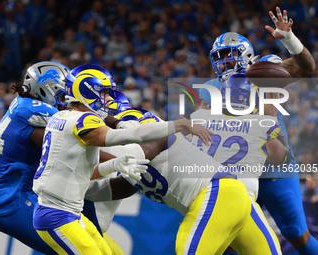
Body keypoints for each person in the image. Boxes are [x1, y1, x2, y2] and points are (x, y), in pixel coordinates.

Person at [32, 64, 212, 255]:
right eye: (104, 92)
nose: (108, 98)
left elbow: (84, 172)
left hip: (67, 211)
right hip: (57, 215)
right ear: (86, 91)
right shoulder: (82, 121)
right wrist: (177, 124)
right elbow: (137, 136)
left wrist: (115, 164)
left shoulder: (60, 117)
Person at [85, 106, 290, 254]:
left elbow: (135, 152)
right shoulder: (131, 167)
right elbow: (106, 191)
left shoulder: (151, 138)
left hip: (218, 193)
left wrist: (90, 147)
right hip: (234, 197)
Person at [204, 7, 318, 255]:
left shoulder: (263, 69)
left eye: (229, 55)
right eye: (219, 57)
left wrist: (289, 39)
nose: (224, 62)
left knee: (297, 235)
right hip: (236, 172)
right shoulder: (210, 88)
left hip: (274, 168)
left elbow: (306, 68)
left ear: (245, 55)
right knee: (230, 241)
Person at [0, 61, 70, 255]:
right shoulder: (31, 108)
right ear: (46, 90)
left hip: (16, 192)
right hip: (7, 199)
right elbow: (76, 125)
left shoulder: (23, 104)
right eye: (62, 94)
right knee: (70, 249)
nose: (66, 101)